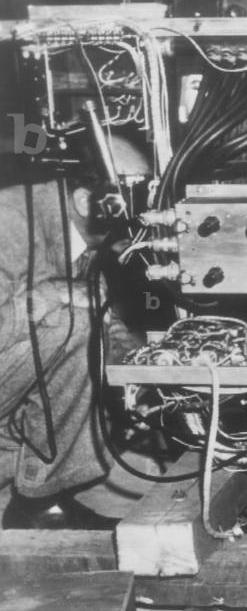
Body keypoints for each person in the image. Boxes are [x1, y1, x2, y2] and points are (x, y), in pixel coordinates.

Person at [0, 136, 148, 529]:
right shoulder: (8, 223)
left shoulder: (84, 232)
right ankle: (41, 500)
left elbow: (98, 311)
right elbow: (72, 319)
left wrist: (138, 362)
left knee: (81, 325)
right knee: (71, 325)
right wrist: (44, 296)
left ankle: (42, 495)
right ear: (85, 201)